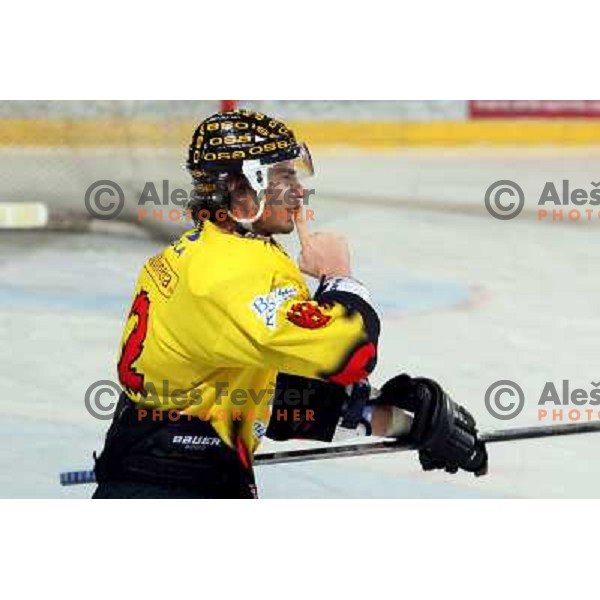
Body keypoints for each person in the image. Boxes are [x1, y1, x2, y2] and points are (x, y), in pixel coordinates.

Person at [92, 109, 487, 499]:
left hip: (153, 468)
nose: (299, 191)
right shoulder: (235, 273)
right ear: (238, 187)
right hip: (178, 488)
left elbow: (267, 394)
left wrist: (393, 420)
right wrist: (339, 276)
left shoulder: (200, 253)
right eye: (282, 176)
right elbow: (350, 353)